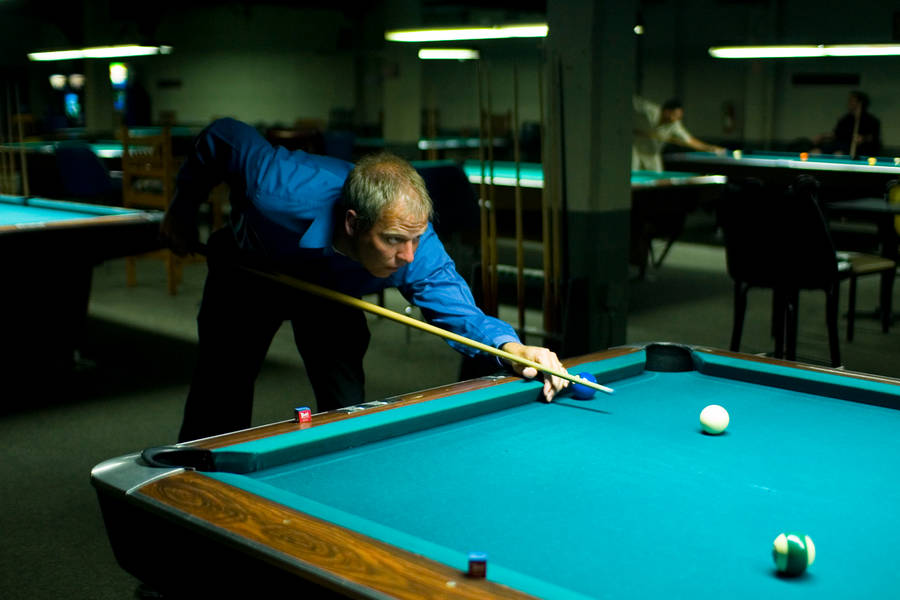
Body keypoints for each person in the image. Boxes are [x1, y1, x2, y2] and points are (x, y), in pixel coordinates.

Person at [161, 118, 568, 442]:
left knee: (345, 402)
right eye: (393, 241)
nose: (407, 256)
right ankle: (185, 486)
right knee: (222, 392)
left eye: (414, 239)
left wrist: (512, 346)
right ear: (353, 224)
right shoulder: (277, 188)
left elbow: (459, 311)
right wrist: (182, 208)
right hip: (248, 274)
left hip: (332, 288)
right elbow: (224, 135)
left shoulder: (414, 243)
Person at [632, 96, 725, 172]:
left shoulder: (675, 125)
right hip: (633, 151)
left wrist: (710, 148)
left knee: (657, 178)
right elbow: (629, 100)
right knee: (630, 174)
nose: (676, 119)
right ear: (667, 112)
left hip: (652, 154)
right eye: (675, 115)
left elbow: (689, 140)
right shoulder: (648, 109)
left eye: (679, 117)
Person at [812, 91, 881, 157]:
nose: (849, 103)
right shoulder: (845, 119)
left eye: (851, 100)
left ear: (860, 103)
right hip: (839, 145)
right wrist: (822, 136)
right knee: (815, 152)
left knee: (838, 154)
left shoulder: (871, 121)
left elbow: (873, 138)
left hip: (859, 150)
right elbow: (836, 134)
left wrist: (863, 139)